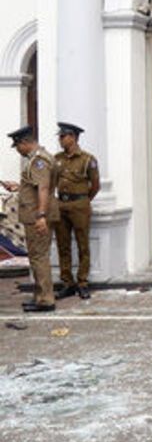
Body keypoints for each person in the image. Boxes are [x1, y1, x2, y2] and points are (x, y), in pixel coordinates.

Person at [1, 126, 61, 312]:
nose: (17, 150)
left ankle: (46, 300)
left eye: (17, 146)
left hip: (37, 216)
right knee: (37, 257)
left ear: (25, 143)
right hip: (36, 213)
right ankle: (39, 296)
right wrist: (20, 187)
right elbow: (36, 187)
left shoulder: (39, 161)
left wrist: (41, 215)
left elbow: (43, 188)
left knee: (38, 257)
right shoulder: (41, 158)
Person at [52, 121, 99, 300]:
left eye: (63, 136)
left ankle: (82, 282)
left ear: (73, 137)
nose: (60, 140)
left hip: (79, 206)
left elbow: (95, 186)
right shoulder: (56, 159)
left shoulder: (88, 160)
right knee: (63, 246)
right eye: (60, 137)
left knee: (82, 245)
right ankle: (67, 283)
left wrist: (83, 200)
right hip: (61, 206)